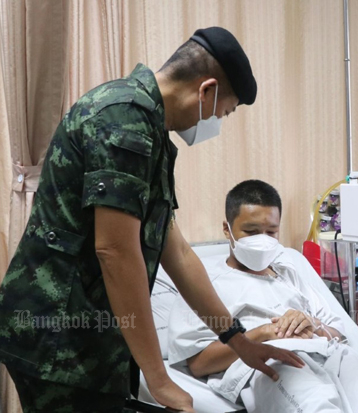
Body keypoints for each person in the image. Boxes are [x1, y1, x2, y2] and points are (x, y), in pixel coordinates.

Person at [0, 27, 303, 413]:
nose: (218, 123)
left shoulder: (151, 130)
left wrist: (238, 341)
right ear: (206, 90)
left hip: (84, 335)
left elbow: (174, 248)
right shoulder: (123, 120)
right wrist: (159, 380)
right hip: (57, 336)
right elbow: (115, 250)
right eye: (224, 112)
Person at [167, 180, 358, 413]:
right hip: (270, 361)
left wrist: (313, 324)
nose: (262, 239)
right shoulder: (205, 283)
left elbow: (336, 332)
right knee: (315, 404)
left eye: (271, 232)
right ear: (226, 230)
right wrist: (262, 333)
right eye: (250, 232)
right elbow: (199, 364)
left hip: (330, 354)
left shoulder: (289, 272)